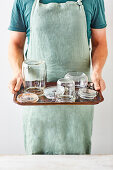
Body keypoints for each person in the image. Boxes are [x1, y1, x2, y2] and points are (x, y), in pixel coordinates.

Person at [8, 0, 108, 155]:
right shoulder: (23, 1)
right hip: (37, 98)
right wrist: (18, 73)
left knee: (77, 160)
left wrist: (96, 72)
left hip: (77, 98)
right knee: (37, 161)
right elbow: (15, 44)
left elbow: (100, 42)